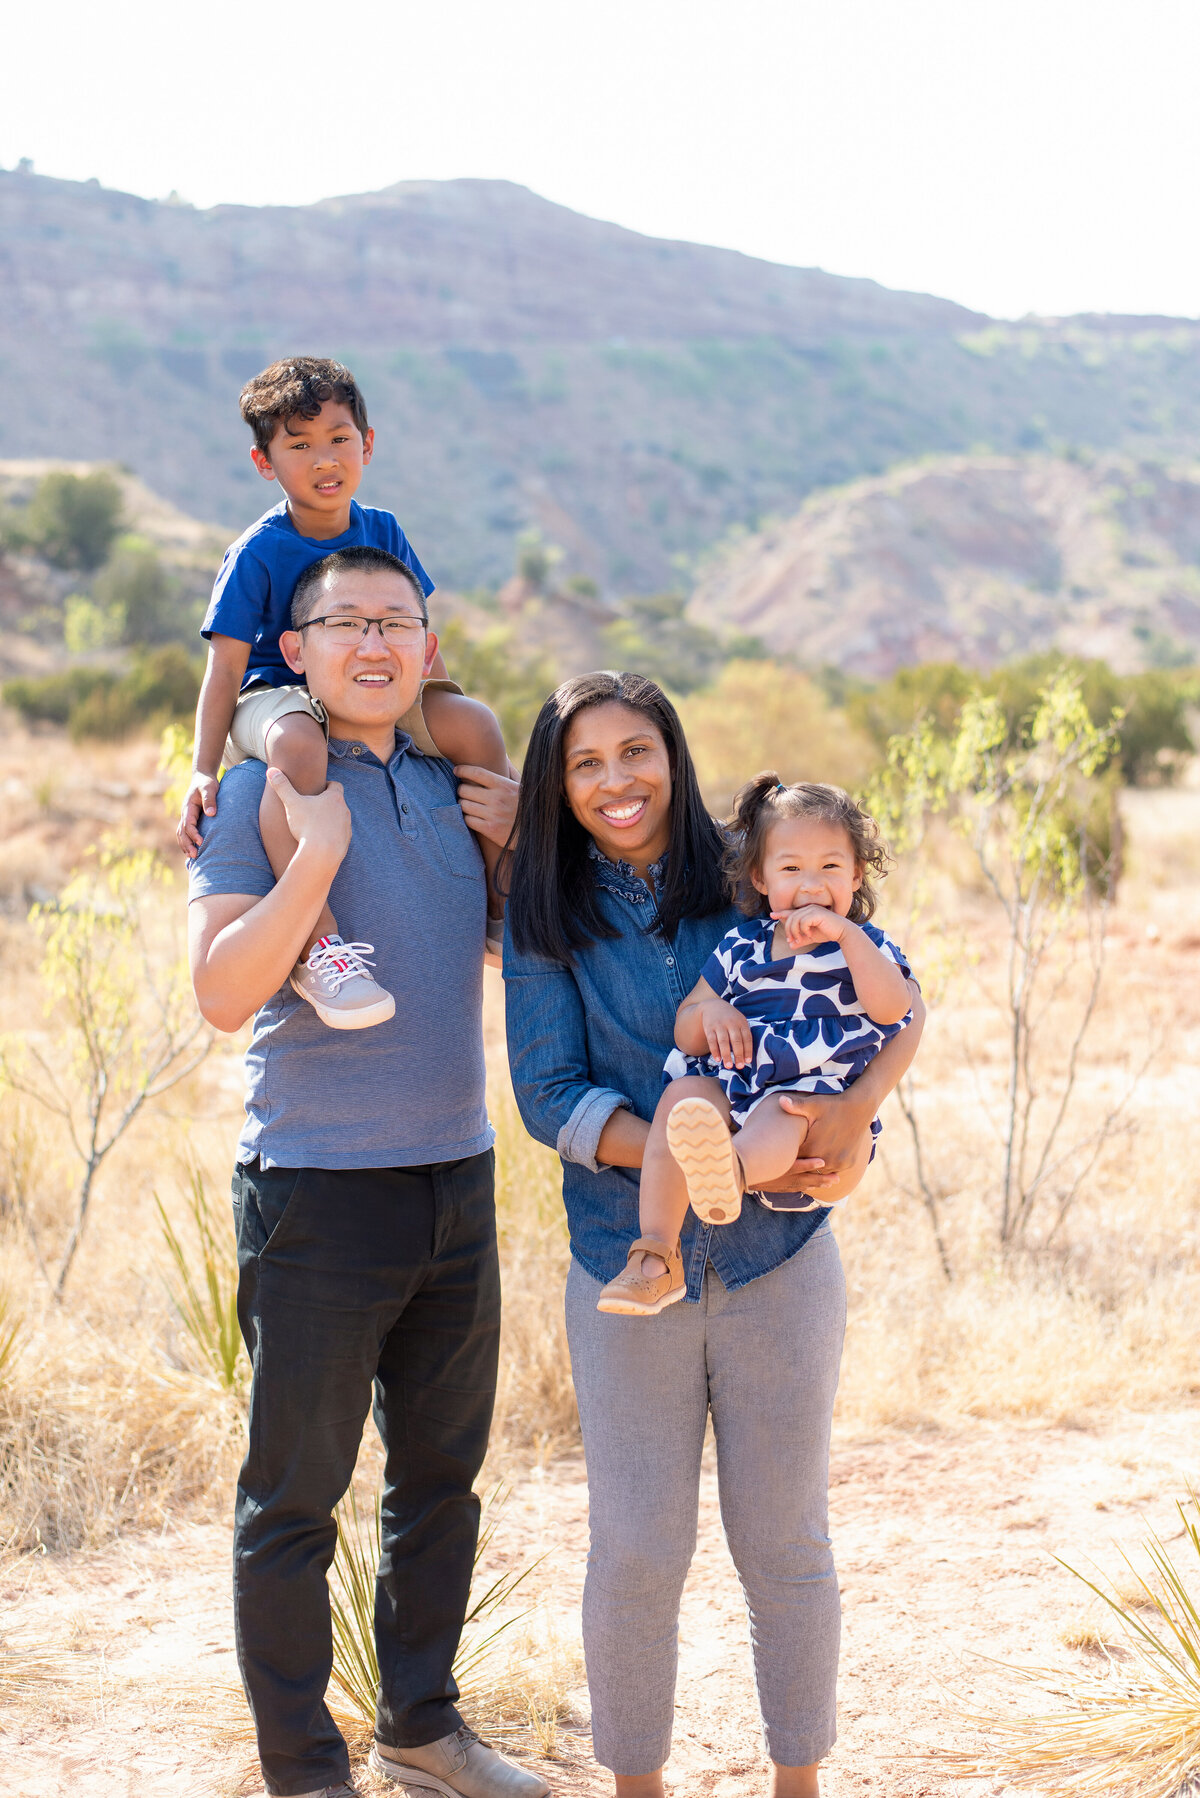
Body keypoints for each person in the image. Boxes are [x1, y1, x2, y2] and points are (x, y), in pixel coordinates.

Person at [502, 671, 925, 1798]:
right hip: (624, 1257)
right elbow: (546, 1095)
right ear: (559, 780)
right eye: (586, 762)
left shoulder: (747, 871)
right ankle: (637, 1785)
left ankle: (798, 1781)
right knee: (638, 1551)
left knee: (785, 1541)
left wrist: (844, 1124)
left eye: (635, 752)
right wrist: (692, 1161)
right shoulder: (544, 911)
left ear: (673, 757)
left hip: (779, 1255)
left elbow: (868, 1000)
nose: (616, 781)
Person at [188, 545, 542, 1798]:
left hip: (458, 1178)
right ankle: (303, 1770)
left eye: (399, 622)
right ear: (302, 650)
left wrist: (513, 842)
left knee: (440, 1483)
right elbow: (223, 990)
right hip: (317, 1190)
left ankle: (422, 1728)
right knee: (294, 1498)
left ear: (428, 646)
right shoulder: (258, 792)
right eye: (348, 624)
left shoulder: (458, 779)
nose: (376, 644)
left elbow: (519, 952)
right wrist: (314, 861)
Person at [178, 356, 511, 1027]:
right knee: (299, 744)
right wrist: (200, 769)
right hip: (277, 696)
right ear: (264, 462)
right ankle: (321, 945)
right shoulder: (256, 552)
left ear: (368, 444)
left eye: (338, 438)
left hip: (371, 685)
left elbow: (413, 636)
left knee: (474, 722)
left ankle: (505, 908)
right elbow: (225, 670)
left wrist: (440, 721)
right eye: (298, 445)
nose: (323, 458)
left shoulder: (382, 530)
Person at [597, 775, 913, 1314]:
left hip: (816, 1114)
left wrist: (847, 936)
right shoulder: (742, 946)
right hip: (740, 1092)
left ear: (856, 874)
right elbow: (686, 1026)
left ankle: (729, 1172)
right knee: (682, 1099)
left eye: (830, 867)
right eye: (791, 869)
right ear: (761, 878)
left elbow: (893, 1010)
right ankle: (654, 1256)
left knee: (781, 1110)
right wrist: (712, 1010)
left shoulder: (868, 946)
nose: (811, 884)